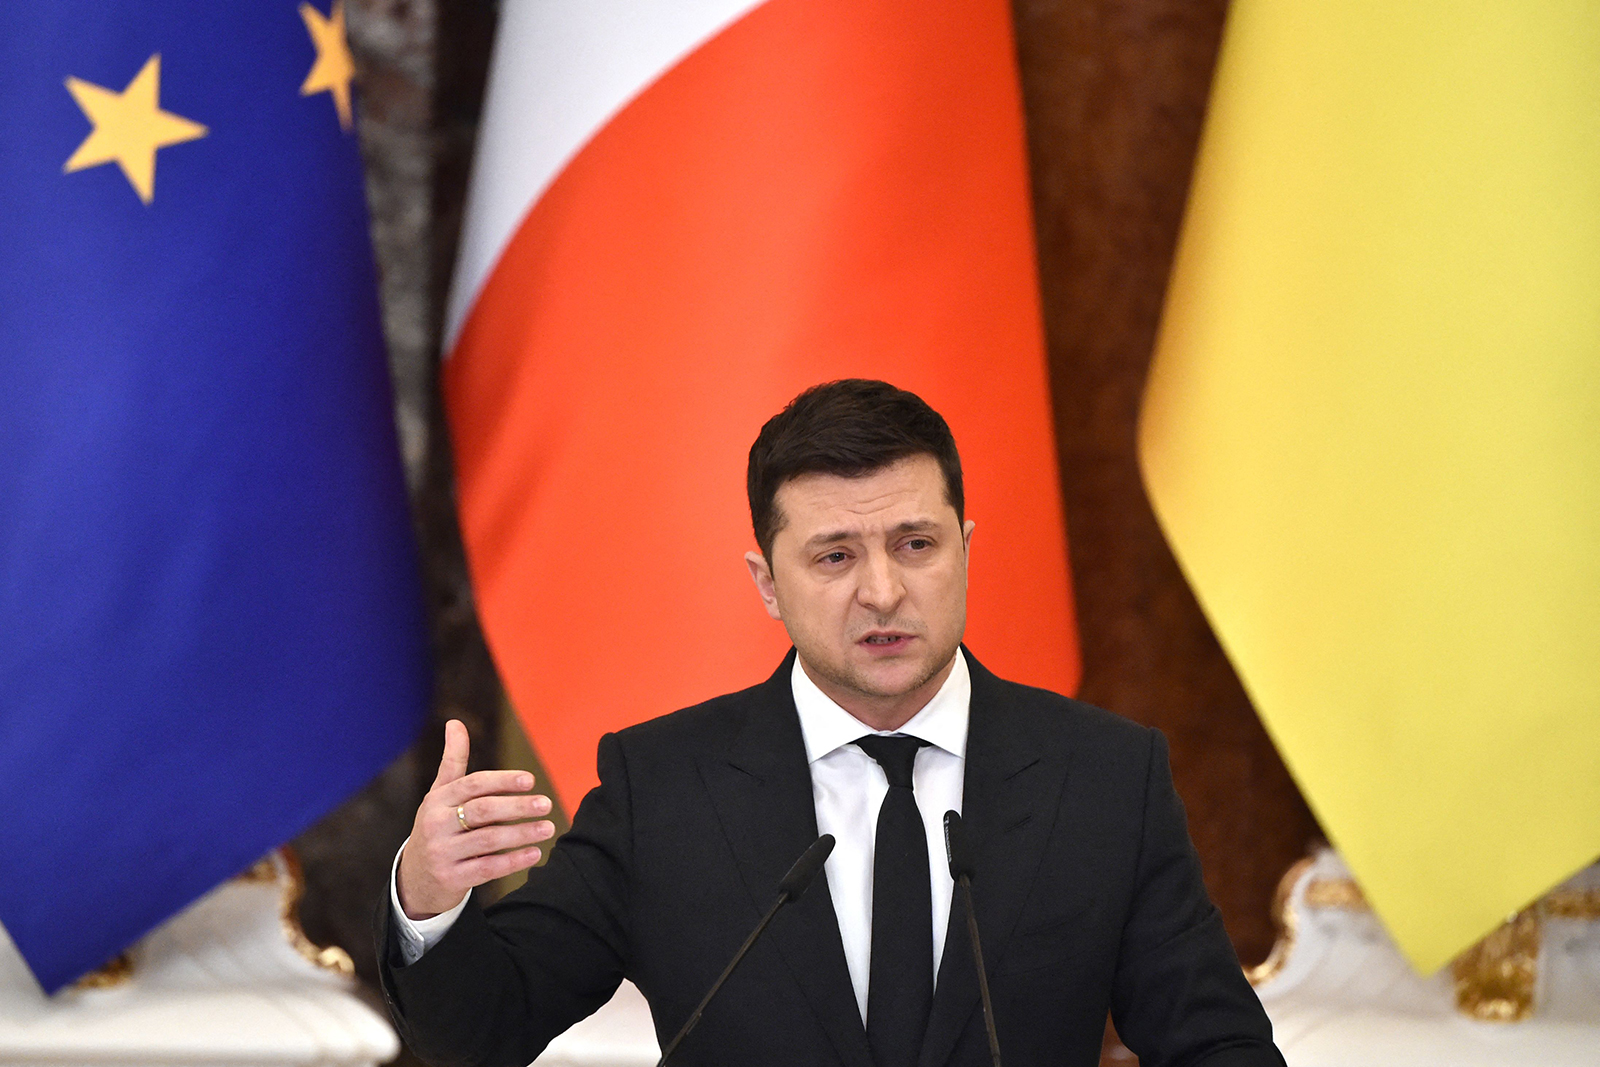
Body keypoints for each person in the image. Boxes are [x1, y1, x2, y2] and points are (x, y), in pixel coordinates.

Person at [377, 379, 1284, 1067]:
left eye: (916, 545)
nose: (883, 590)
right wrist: (428, 896)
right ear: (767, 584)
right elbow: (481, 1033)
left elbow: (1218, 1047)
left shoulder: (1105, 779)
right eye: (835, 556)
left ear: (967, 551)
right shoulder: (665, 787)